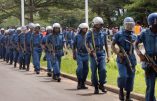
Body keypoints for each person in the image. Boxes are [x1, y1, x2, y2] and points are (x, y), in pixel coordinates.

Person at [111, 17, 137, 101]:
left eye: (131, 24)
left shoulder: (134, 35)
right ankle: (121, 90)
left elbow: (136, 46)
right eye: (128, 24)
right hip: (122, 59)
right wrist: (118, 53)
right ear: (124, 25)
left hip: (132, 59)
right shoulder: (119, 34)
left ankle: (128, 96)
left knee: (131, 77)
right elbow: (112, 45)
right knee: (123, 76)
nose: (129, 26)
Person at [135, 13, 157, 101]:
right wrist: (140, 54)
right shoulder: (144, 33)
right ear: (151, 24)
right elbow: (135, 44)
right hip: (149, 63)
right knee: (150, 87)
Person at [85, 17, 110, 94]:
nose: (99, 26)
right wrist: (89, 51)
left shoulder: (104, 32)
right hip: (93, 54)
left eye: (100, 24)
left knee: (103, 70)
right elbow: (86, 43)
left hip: (101, 53)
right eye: (97, 24)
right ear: (94, 24)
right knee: (94, 71)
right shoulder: (90, 33)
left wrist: (108, 55)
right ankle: (96, 86)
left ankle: (102, 84)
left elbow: (106, 44)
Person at [73, 23, 89, 90]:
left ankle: (83, 82)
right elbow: (74, 46)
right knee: (80, 68)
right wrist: (74, 54)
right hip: (79, 54)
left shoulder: (88, 36)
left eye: (86, 28)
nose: (85, 29)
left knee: (86, 69)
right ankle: (79, 82)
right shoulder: (77, 36)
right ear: (80, 29)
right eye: (83, 28)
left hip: (86, 54)